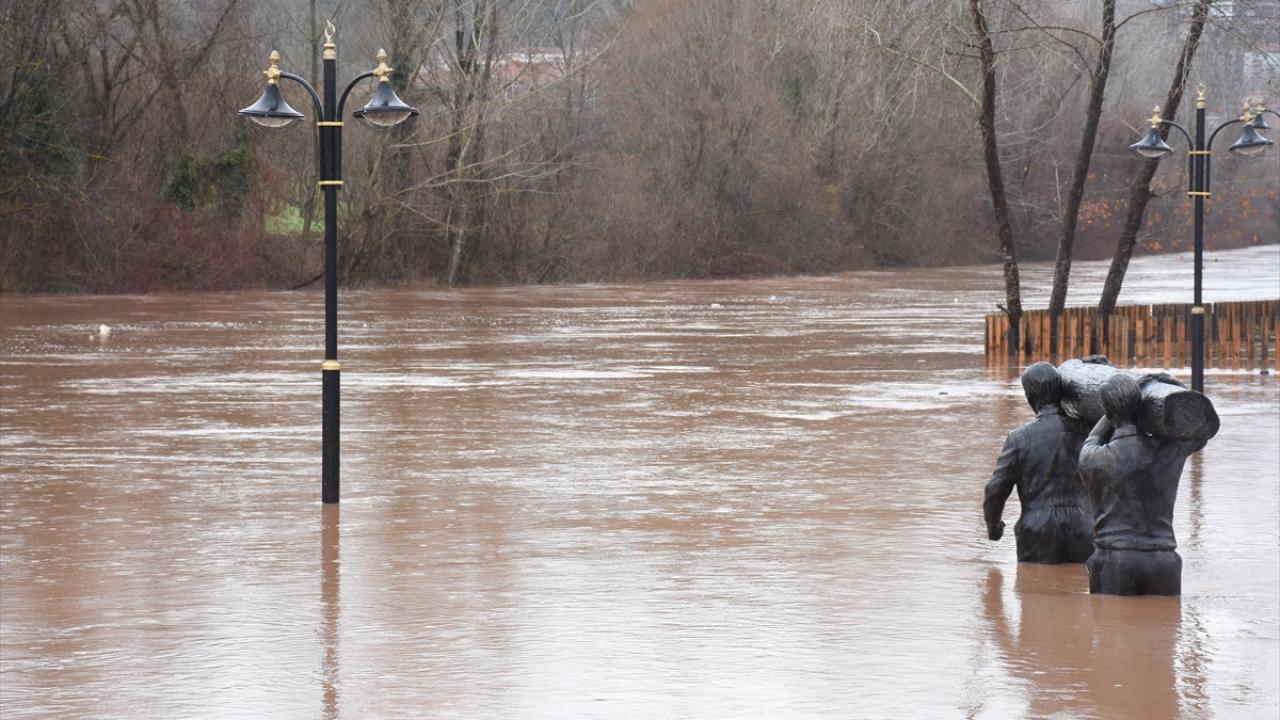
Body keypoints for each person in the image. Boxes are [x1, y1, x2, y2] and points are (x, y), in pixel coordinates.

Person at [1077, 373, 1207, 595]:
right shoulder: (1169, 451)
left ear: (1107, 413)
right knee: (1165, 628)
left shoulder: (1093, 457)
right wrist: (1173, 386)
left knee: (1111, 628)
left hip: (1115, 559)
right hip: (1164, 560)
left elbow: (1094, 436)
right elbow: (1198, 425)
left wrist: (1119, 406)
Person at [984, 362, 1094, 564]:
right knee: (1079, 589)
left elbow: (994, 490)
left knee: (1035, 592)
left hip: (1037, 531)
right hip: (1084, 528)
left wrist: (993, 527)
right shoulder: (1088, 430)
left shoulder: (1019, 439)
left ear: (1029, 397)